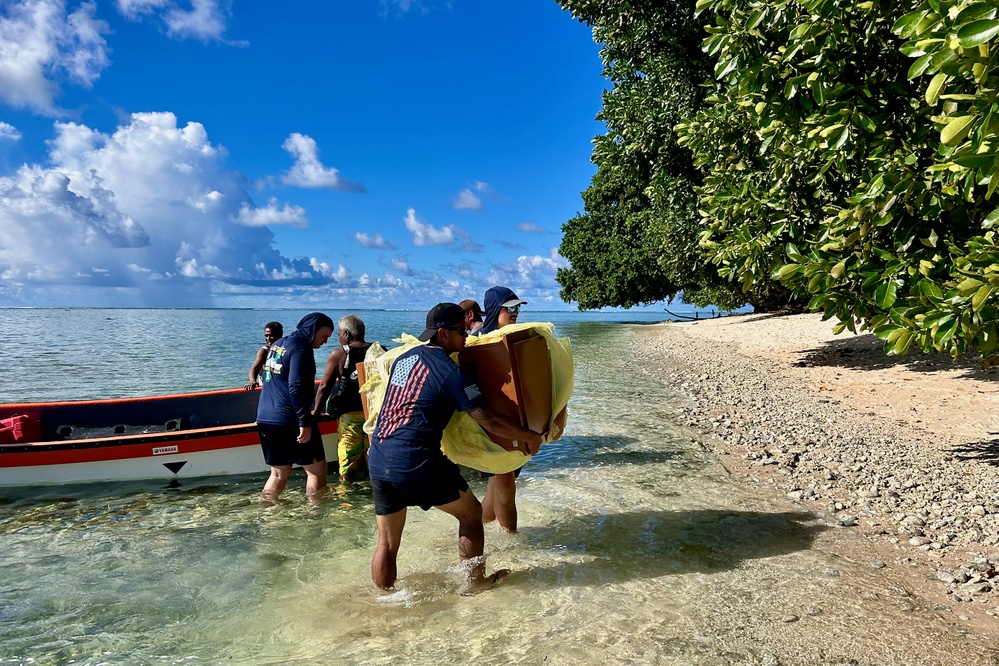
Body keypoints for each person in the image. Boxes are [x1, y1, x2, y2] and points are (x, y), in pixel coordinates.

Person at [367, 303, 545, 591]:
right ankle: (475, 584)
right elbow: (488, 420)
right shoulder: (452, 372)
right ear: (442, 334)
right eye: (461, 331)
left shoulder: (404, 360)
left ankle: (385, 599)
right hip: (415, 459)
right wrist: (530, 436)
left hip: (378, 456)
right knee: (471, 513)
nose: (466, 336)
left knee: (387, 541)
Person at [255, 312, 334, 502]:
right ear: (312, 330)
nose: (325, 341)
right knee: (316, 470)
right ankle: (316, 513)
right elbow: (296, 385)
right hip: (291, 418)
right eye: (324, 336)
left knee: (277, 474)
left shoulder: (277, 344)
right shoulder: (301, 348)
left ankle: (268, 511)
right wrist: (303, 420)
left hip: (265, 418)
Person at [473, 285, 528, 532]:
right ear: (495, 309)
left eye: (517, 309)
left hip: (510, 422)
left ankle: (480, 527)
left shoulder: (511, 338)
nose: (515, 313)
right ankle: (512, 542)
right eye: (510, 308)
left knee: (496, 485)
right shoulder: (476, 341)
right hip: (492, 425)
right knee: (506, 488)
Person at [313, 314, 373, 484]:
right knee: (374, 460)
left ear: (346, 334)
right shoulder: (379, 351)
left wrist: (316, 411)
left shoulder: (340, 354)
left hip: (350, 416)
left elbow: (324, 386)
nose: (338, 338)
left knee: (347, 465)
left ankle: (346, 495)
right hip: (374, 414)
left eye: (339, 334)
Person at [245, 321, 283, 390]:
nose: (268, 338)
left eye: (271, 335)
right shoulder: (264, 351)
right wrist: (252, 381)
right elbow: (254, 369)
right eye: (266, 335)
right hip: (266, 389)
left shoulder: (284, 350)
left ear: (279, 335)